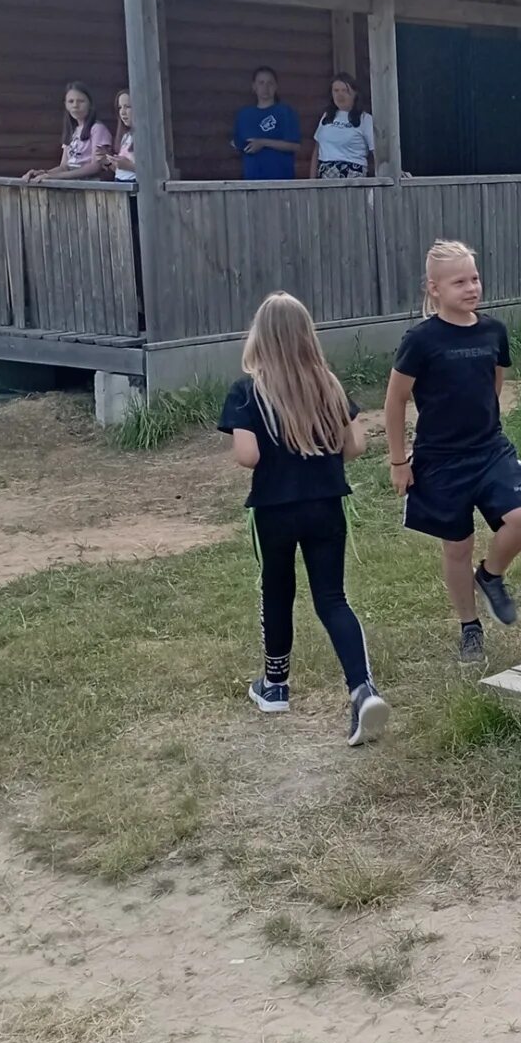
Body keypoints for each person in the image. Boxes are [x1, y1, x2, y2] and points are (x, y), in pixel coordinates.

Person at [218, 291, 390, 746]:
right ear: (306, 336)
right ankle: (362, 689)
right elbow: (355, 446)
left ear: (260, 337)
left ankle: (275, 686)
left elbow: (247, 456)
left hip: (274, 511)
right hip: (325, 505)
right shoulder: (327, 384)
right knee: (332, 598)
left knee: (277, 591)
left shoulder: (247, 390)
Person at [383, 240, 521, 667]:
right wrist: (399, 462)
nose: (471, 288)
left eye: (474, 278)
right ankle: (470, 627)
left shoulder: (494, 332)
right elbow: (395, 401)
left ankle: (490, 576)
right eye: (459, 281)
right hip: (440, 461)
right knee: (458, 546)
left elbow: (494, 383)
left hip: (489, 449)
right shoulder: (421, 340)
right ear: (434, 289)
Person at [24, 83, 113, 181]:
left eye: (81, 101)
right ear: (65, 104)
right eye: (71, 101)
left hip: (90, 186)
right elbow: (64, 166)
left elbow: (96, 166)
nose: (75, 105)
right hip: (71, 185)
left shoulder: (97, 129)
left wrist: (55, 176)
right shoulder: (72, 130)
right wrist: (43, 173)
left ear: (90, 104)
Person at [231, 67, 302, 180]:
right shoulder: (244, 115)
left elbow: (295, 146)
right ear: (254, 87)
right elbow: (237, 142)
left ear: (276, 87)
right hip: (252, 180)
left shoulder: (285, 112)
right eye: (261, 83)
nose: (265, 87)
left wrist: (263, 143)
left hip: (281, 179)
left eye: (270, 83)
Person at [310, 78, 375, 180]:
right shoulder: (327, 116)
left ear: (355, 93)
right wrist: (312, 181)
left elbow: (376, 151)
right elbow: (317, 149)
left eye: (345, 90)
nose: (340, 95)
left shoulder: (365, 119)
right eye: (336, 91)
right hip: (325, 176)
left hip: (353, 177)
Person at [110, 90, 135, 182]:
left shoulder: (146, 137)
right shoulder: (126, 136)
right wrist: (108, 162)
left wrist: (129, 166)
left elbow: (154, 171)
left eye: (128, 107)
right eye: (120, 107)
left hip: (135, 185)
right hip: (120, 183)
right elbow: (121, 170)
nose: (122, 112)